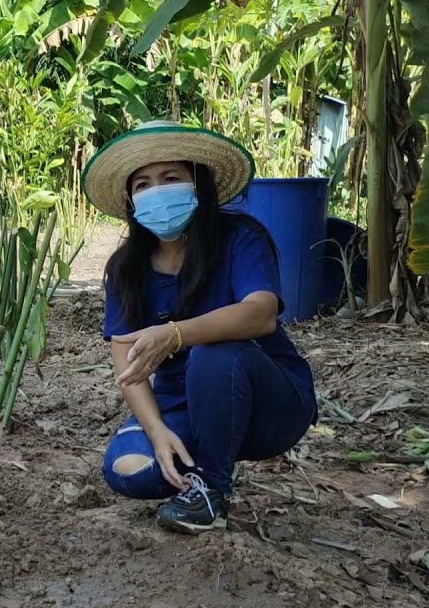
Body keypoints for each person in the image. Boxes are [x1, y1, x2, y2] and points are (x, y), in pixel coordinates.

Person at [81, 120, 317, 534]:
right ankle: (206, 457)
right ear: (131, 200)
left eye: (170, 178)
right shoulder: (125, 269)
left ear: (197, 184)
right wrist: (156, 431)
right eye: (143, 184)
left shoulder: (241, 238)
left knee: (213, 353)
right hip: (185, 403)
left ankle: (212, 490)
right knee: (130, 470)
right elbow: (128, 364)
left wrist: (176, 333)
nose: (157, 191)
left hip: (269, 401)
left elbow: (261, 314)